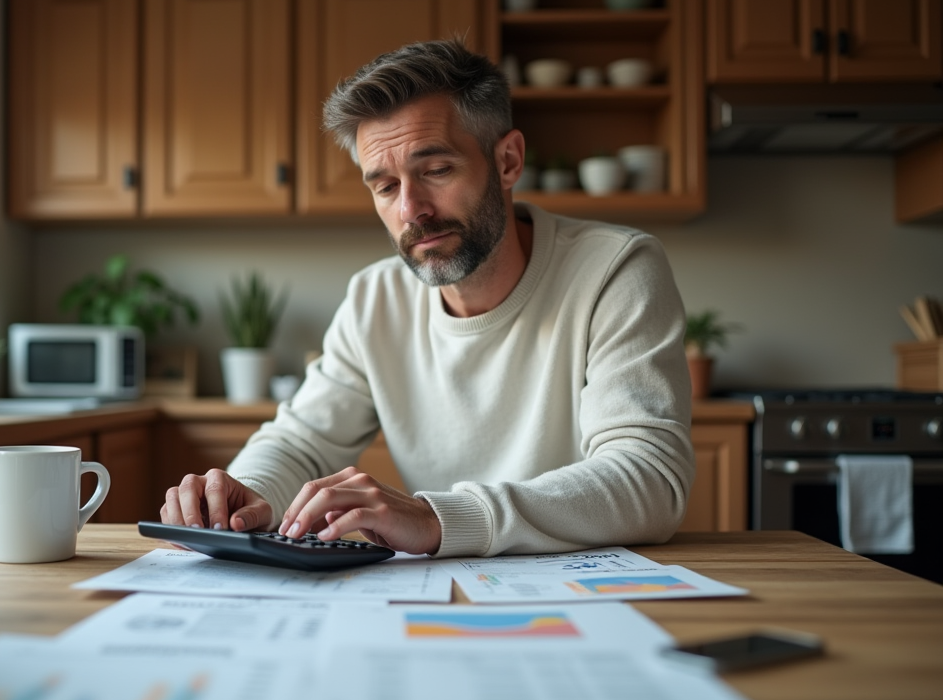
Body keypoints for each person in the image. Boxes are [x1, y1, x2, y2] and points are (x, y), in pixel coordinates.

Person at [161, 39, 695, 558]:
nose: (411, 209)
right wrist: (248, 493)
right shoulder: (375, 298)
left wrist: (438, 519)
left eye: (436, 170)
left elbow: (648, 478)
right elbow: (301, 442)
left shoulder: (615, 270)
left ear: (508, 161)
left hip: (589, 599)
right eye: (386, 187)